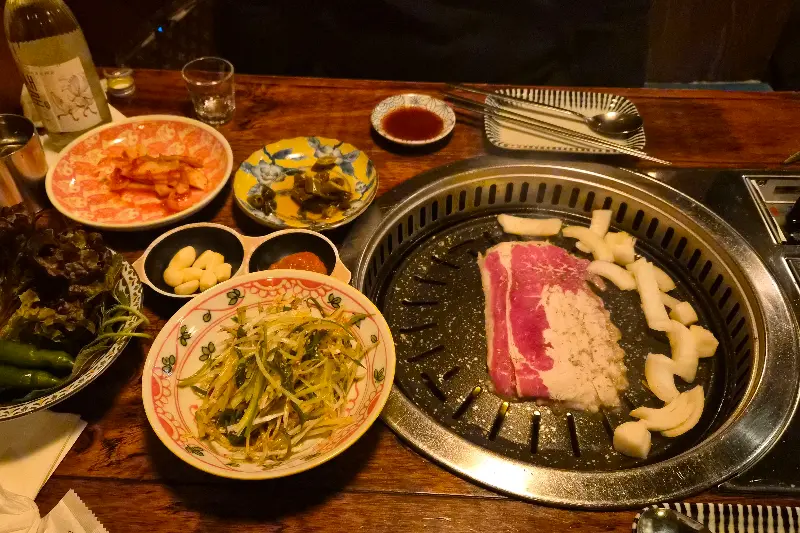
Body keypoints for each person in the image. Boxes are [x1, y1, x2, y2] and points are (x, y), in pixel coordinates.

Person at [214, 0, 650, 86]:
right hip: (353, 81)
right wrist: (282, 90)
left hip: (527, 91)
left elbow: (617, 20)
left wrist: (605, 100)